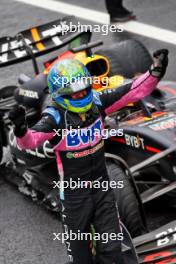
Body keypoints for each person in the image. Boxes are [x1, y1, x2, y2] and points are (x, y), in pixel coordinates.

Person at [9, 49, 168, 264]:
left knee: (113, 252)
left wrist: (155, 71)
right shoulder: (54, 117)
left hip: (103, 190)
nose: (81, 96)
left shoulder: (98, 101)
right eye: (74, 93)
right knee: (80, 258)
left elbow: (133, 91)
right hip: (75, 198)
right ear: (60, 95)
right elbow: (30, 141)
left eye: (83, 90)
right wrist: (20, 129)